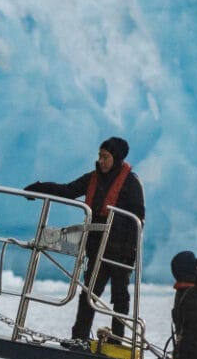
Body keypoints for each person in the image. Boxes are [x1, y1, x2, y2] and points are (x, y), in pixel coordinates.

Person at [25, 137, 146, 344]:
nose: (101, 161)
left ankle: (116, 338)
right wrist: (39, 188)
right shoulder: (93, 178)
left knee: (120, 296)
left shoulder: (131, 183)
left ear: (116, 158)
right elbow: (68, 190)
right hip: (97, 247)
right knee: (89, 293)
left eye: (105, 157)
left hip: (120, 252)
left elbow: (138, 218)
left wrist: (129, 250)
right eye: (99, 156)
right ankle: (79, 336)